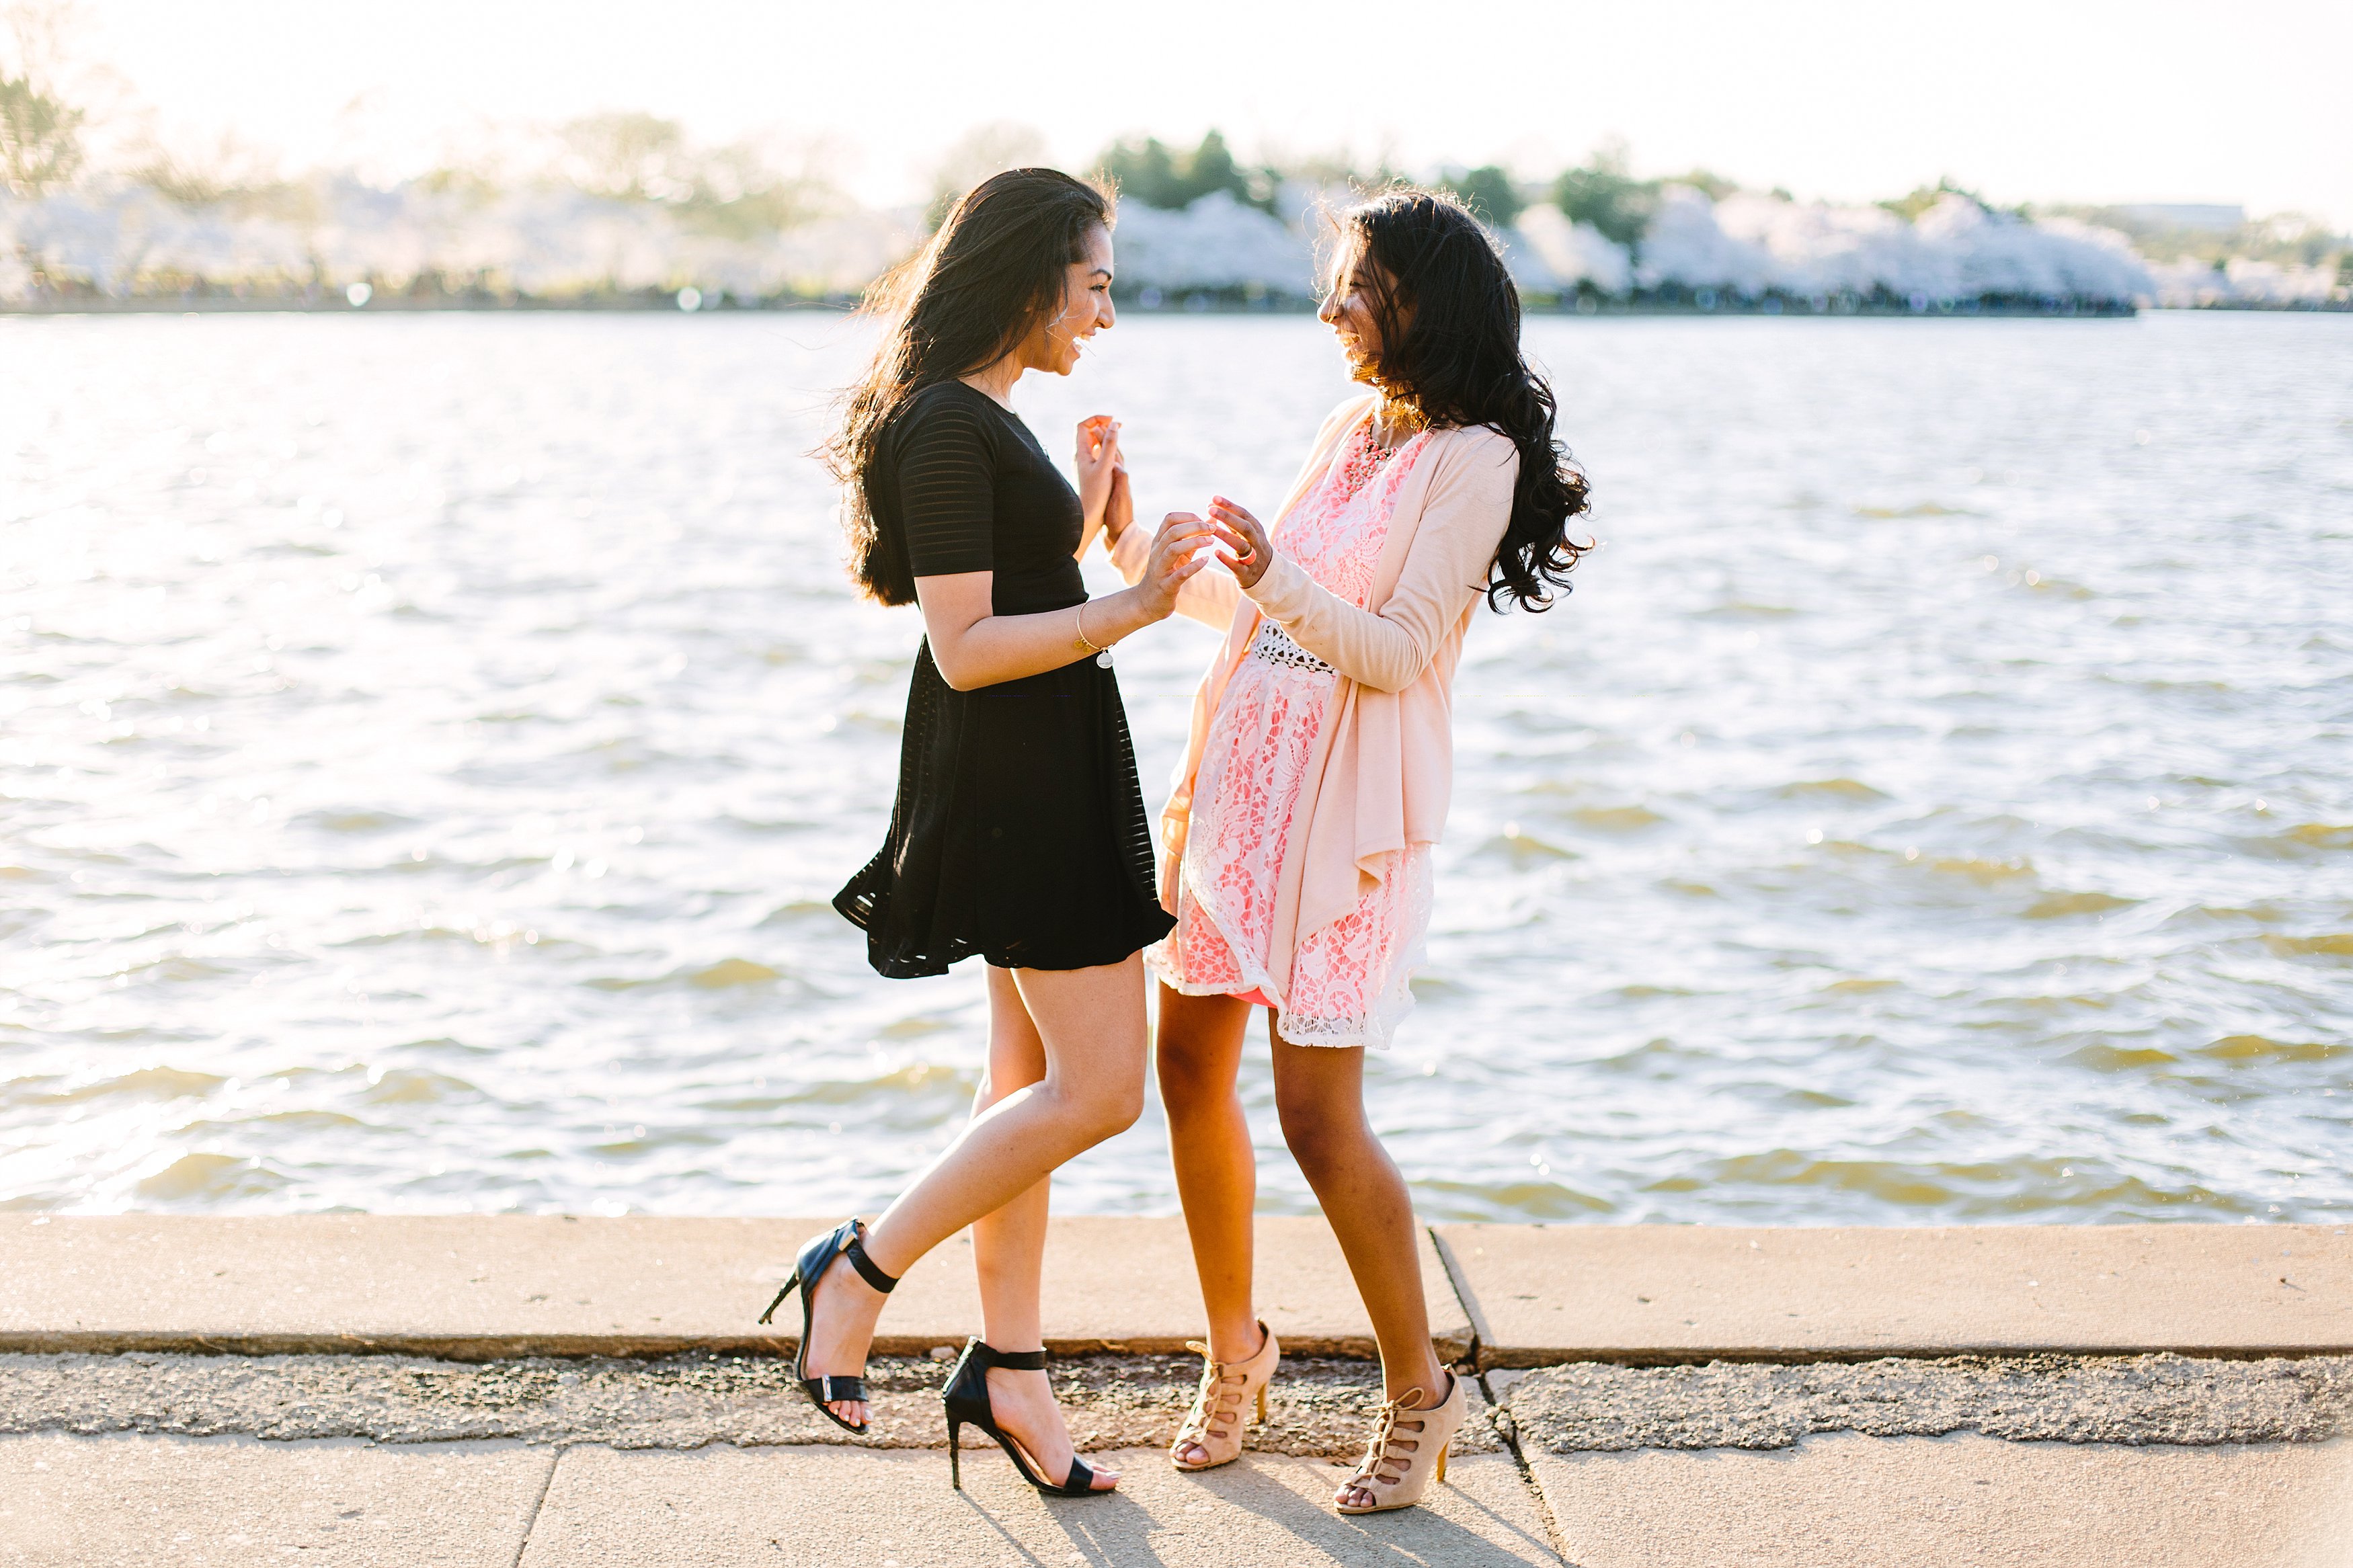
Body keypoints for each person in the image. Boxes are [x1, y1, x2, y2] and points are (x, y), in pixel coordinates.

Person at [1105, 187, 1592, 1514]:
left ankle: (1420, 1394)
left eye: (1355, 288)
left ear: (1420, 302)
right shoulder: (1349, 429)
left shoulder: (1474, 459)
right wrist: (1140, 551)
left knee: (1320, 1118)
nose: (1331, 311)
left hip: (1346, 830)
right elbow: (1265, 620)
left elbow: (1387, 650)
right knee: (1186, 1067)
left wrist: (1266, 579)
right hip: (1241, 802)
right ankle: (1234, 1354)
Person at [765, 167, 1211, 1498]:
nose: (1106, 317)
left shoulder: (983, 417)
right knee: (1099, 1092)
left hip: (1038, 764)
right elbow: (965, 650)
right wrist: (1130, 605)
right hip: (1018, 775)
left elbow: (1012, 590)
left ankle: (1008, 1368)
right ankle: (857, 1271)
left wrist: (1082, 509)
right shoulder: (946, 427)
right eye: (1096, 286)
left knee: (1026, 1086)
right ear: (1028, 280)